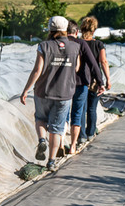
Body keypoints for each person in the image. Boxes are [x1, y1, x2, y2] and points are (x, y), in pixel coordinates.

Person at [19, 15, 98, 170]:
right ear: (65, 29)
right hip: (64, 93)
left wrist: (26, 89)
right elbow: (76, 68)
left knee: (41, 119)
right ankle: (51, 161)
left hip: (43, 91)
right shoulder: (75, 47)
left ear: (50, 29)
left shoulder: (44, 46)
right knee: (56, 127)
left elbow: (37, 70)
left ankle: (42, 140)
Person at [61, 20, 105, 156]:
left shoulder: (59, 43)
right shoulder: (81, 43)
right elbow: (94, 63)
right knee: (78, 113)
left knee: (64, 114)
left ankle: (61, 144)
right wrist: (100, 81)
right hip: (81, 83)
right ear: (76, 32)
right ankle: (74, 144)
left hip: (63, 84)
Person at [69, 16, 111, 153]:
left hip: (79, 78)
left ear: (81, 29)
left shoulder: (77, 43)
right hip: (93, 80)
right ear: (94, 30)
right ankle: (90, 132)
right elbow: (103, 62)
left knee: (80, 108)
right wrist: (106, 80)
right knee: (92, 108)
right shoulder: (98, 44)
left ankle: (80, 136)